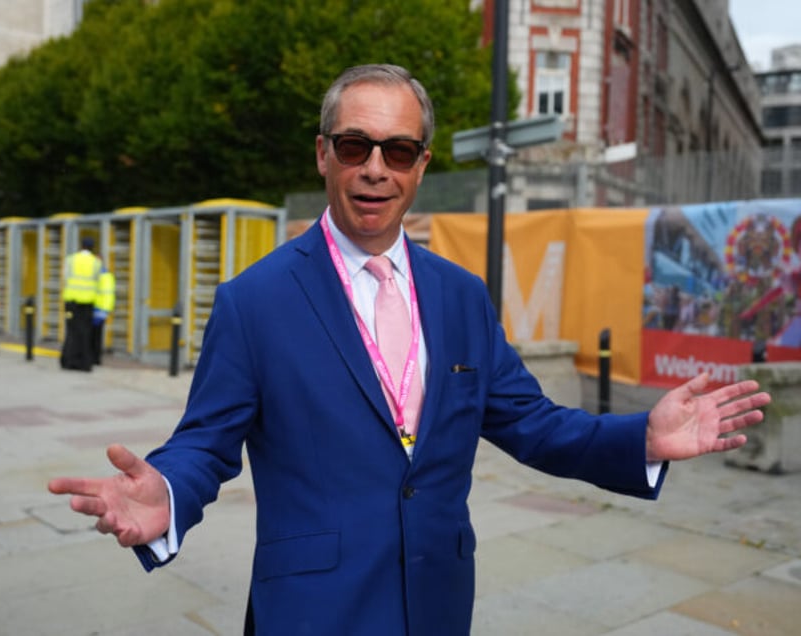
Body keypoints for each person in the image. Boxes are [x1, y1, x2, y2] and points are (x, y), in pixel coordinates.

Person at [48, 64, 771, 635]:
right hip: (312, 612)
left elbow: (533, 422)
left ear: (420, 165)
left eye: (397, 150)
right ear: (324, 155)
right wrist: (166, 492)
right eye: (355, 146)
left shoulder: (461, 294)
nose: (375, 169)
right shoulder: (254, 300)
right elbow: (205, 444)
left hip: (436, 600)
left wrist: (642, 436)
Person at [59, 236, 102, 372]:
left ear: (81, 246)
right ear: (92, 248)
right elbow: (98, 280)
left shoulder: (71, 259)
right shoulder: (96, 262)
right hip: (88, 302)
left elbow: (65, 277)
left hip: (72, 301)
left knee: (72, 331)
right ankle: (84, 363)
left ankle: (69, 361)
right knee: (85, 332)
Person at [91, 262, 116, 365]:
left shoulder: (105, 276)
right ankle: (94, 358)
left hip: (98, 310)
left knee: (95, 337)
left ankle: (95, 358)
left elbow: (109, 295)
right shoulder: (97, 275)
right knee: (94, 337)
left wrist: (105, 311)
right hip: (93, 310)